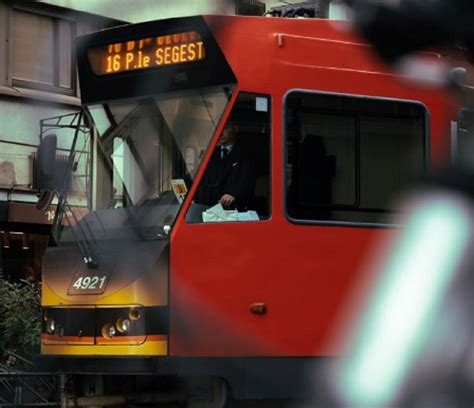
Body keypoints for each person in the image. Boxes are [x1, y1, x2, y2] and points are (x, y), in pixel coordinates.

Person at [195, 120, 256, 211]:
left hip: (232, 210)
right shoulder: (209, 154)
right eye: (217, 128)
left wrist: (234, 194)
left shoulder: (246, 153)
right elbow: (197, 176)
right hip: (207, 208)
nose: (220, 132)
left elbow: (247, 179)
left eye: (225, 128)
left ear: (235, 128)